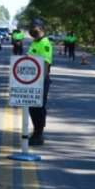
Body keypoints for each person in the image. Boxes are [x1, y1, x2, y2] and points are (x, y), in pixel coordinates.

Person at [27, 18, 53, 146]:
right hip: (32, 80)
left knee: (39, 107)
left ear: (41, 28)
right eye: (31, 27)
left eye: (34, 27)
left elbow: (46, 64)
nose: (32, 30)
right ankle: (36, 131)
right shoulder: (35, 42)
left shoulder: (45, 43)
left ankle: (39, 134)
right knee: (32, 107)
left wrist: (40, 80)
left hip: (41, 79)